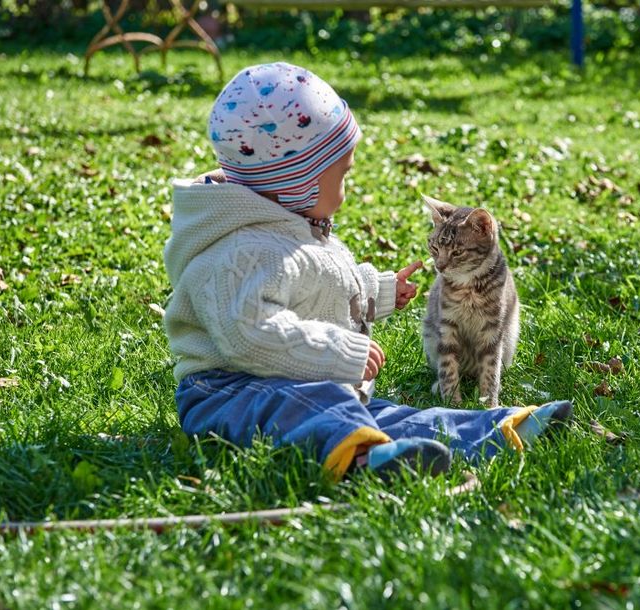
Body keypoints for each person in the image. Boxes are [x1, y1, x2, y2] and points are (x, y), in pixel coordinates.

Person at [162, 62, 572, 481]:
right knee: (311, 408)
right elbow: (249, 336)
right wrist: (341, 352)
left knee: (381, 414)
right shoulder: (240, 251)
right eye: (342, 176)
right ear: (298, 181)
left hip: (305, 385)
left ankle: (490, 430)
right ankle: (361, 460)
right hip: (229, 392)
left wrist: (378, 290)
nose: (347, 188)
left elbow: (320, 281)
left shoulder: (289, 221)